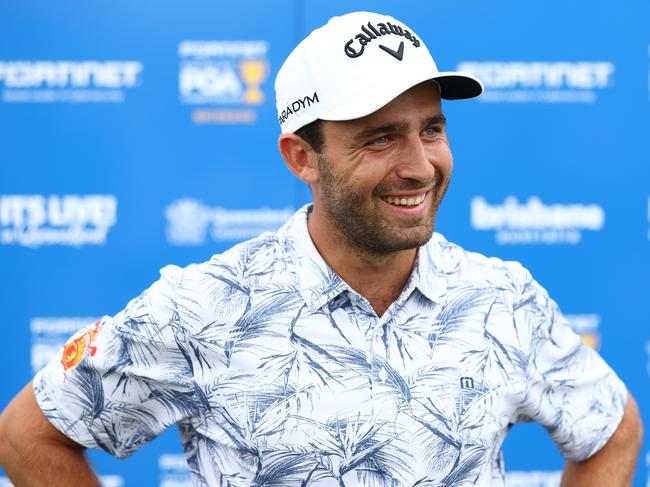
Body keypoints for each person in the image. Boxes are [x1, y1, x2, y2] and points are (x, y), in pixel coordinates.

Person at [0, 11, 642, 487]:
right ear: (301, 156)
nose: (420, 166)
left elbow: (613, 428)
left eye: (432, 130)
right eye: (381, 139)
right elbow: (29, 434)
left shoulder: (504, 297)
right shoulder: (203, 307)